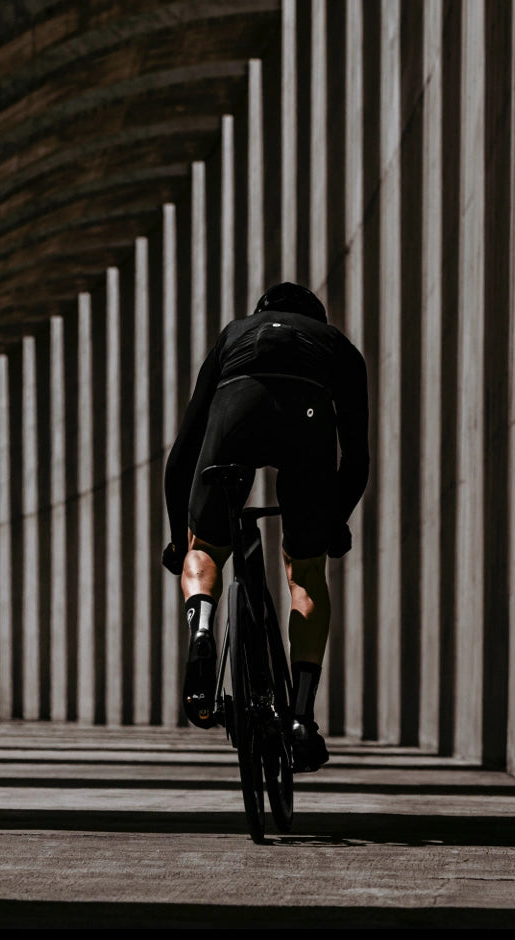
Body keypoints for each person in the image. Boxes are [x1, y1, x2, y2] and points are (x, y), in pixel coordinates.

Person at [160, 282, 369, 772]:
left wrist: (178, 536)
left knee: (207, 547)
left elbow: (184, 449)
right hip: (307, 422)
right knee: (306, 572)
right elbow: (356, 458)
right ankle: (300, 715)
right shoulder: (337, 344)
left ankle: (203, 627)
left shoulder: (234, 335)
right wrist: (334, 522)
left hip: (237, 412)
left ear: (261, 313)